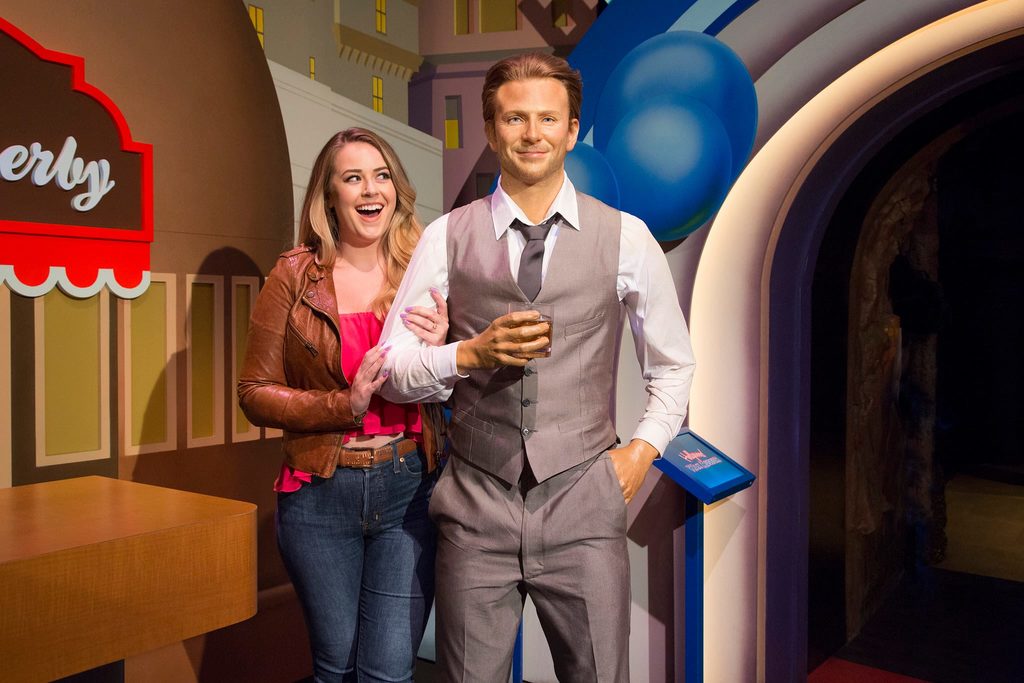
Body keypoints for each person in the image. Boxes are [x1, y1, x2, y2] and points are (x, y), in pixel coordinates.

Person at [377, 53, 697, 681]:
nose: (532, 133)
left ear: (572, 131)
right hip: (475, 507)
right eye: (514, 118)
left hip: (584, 504)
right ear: (491, 130)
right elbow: (392, 369)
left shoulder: (627, 237)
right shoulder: (447, 236)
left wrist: (641, 453)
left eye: (548, 118)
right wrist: (466, 354)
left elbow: (673, 365)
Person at [237, 128, 448, 683]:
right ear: (329, 196)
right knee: (337, 666)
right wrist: (344, 403)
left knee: (389, 669)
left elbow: (467, 379)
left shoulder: (426, 269)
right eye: (353, 178)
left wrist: (444, 349)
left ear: (397, 190)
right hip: (320, 493)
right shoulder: (293, 275)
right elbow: (254, 391)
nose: (371, 189)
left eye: (381, 176)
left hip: (409, 488)